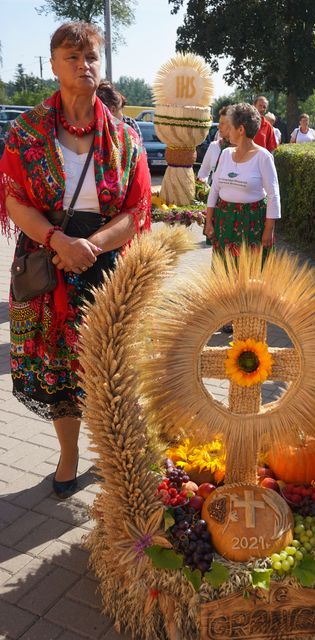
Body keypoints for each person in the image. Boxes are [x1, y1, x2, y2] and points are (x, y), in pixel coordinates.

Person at [0, 21, 151, 499]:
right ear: (53, 65)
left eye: (91, 58)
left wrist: (93, 245)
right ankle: (68, 455)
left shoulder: (125, 137)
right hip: (48, 260)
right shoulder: (26, 131)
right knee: (62, 370)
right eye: (73, 57)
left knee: (111, 367)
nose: (84, 66)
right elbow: (13, 197)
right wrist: (56, 239)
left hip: (105, 260)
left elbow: (138, 208)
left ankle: (115, 452)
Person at [204, 103, 281, 257]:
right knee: (225, 274)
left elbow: (273, 195)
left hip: (253, 224)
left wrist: (268, 230)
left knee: (250, 274)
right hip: (224, 222)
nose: (227, 131)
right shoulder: (226, 154)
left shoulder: (263, 157)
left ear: (241, 130)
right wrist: (209, 221)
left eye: (230, 127)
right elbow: (215, 189)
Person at [198, 106, 231, 184]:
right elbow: (204, 171)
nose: (218, 126)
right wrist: (201, 184)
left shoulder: (242, 149)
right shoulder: (214, 146)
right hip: (213, 193)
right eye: (219, 123)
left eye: (222, 123)